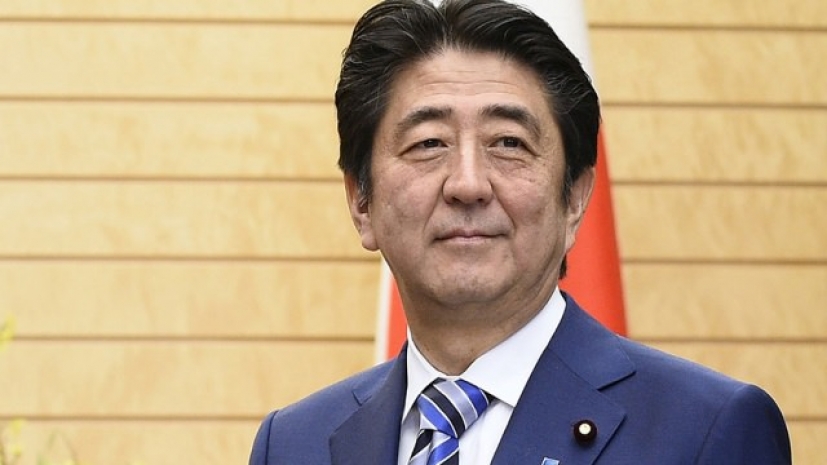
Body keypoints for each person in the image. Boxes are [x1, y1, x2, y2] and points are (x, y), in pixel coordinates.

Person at [250, 0, 791, 463]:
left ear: (575, 196)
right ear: (361, 201)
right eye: (428, 143)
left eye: (508, 143)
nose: (468, 184)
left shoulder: (704, 431)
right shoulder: (294, 444)